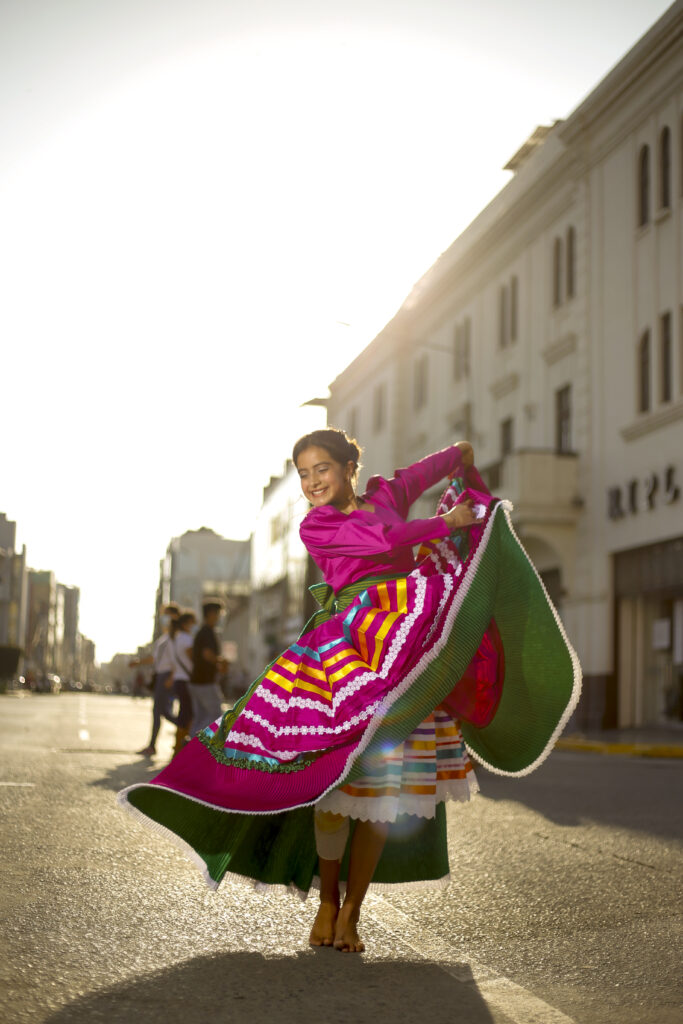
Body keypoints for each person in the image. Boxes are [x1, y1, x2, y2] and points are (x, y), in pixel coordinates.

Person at [119, 430, 581, 953]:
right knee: (332, 793)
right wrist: (442, 523)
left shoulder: (387, 496)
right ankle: (328, 902)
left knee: (384, 794)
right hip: (345, 655)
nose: (313, 482)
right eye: (304, 474)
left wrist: (462, 460)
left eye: (322, 469)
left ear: (348, 468)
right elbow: (382, 543)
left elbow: (426, 472)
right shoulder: (316, 525)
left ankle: (353, 911)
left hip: (407, 649)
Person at [135, 602, 181, 757]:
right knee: (159, 711)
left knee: (163, 711)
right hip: (161, 676)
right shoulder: (164, 637)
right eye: (164, 615)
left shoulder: (176, 636)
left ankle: (188, 729)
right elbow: (154, 658)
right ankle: (152, 745)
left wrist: (172, 676)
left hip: (167, 676)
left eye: (168, 615)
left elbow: (177, 659)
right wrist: (138, 662)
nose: (164, 618)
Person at [188, 600, 226, 735]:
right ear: (210, 614)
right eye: (218, 613)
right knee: (216, 716)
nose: (219, 617)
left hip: (196, 680)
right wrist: (220, 661)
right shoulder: (207, 632)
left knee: (200, 717)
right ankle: (193, 743)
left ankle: (191, 745)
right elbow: (207, 654)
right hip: (205, 681)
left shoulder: (201, 632)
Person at [170, 609, 197, 756]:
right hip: (186, 679)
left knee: (184, 712)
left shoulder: (177, 638)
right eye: (193, 623)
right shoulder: (186, 639)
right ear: (187, 623)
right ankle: (181, 748)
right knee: (188, 714)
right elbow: (191, 656)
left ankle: (178, 746)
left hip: (179, 679)